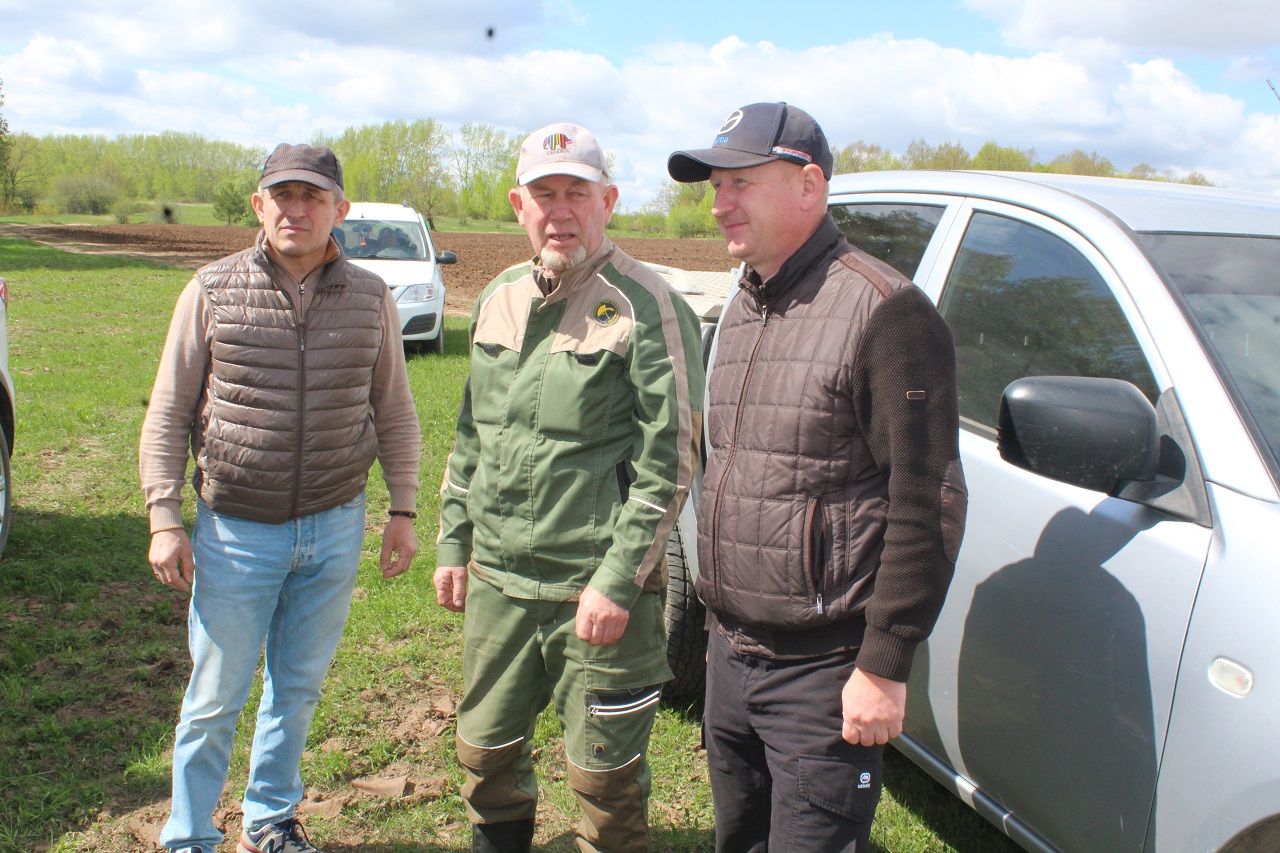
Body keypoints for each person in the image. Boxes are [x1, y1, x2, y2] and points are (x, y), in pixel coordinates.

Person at [667, 102, 967, 851]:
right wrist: (715, 630)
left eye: (739, 181)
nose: (718, 202)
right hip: (732, 657)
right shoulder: (742, 304)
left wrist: (884, 663)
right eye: (714, 184)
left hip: (822, 672)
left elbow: (928, 501)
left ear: (808, 186)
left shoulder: (885, 312)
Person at [140, 143, 422, 853]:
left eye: (313, 196)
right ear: (259, 205)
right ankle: (189, 836)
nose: (296, 209)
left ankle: (269, 820)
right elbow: (170, 409)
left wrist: (404, 508)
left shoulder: (371, 297)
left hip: (333, 526)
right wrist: (164, 515)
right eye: (282, 195)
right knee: (213, 699)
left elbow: (394, 411)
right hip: (237, 530)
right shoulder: (211, 288)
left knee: (295, 690)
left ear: (339, 210)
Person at [434, 122, 705, 853]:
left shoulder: (648, 306)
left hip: (594, 593)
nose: (560, 211)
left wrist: (619, 582)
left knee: (604, 778)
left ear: (607, 200)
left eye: (576, 193)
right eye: (544, 194)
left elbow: (671, 459)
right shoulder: (497, 296)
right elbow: (471, 431)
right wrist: (454, 540)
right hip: (498, 581)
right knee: (484, 756)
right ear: (519, 205)